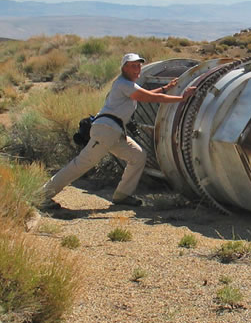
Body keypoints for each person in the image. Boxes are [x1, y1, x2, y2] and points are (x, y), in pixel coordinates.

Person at [40, 52, 196, 211]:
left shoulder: (127, 85)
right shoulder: (124, 84)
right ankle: (42, 196)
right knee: (82, 164)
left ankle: (122, 195)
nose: (137, 69)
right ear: (124, 68)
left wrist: (165, 88)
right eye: (133, 66)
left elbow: (143, 95)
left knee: (137, 156)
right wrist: (182, 98)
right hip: (107, 130)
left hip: (114, 132)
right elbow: (147, 98)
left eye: (139, 65)